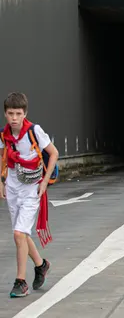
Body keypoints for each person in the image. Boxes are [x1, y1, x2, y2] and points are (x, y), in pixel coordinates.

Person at [1, 93, 57, 298]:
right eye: (10, 113)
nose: (14, 118)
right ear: (5, 114)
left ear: (25, 113)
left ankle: (20, 281)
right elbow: (3, 157)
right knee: (21, 233)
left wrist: (45, 181)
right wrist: (2, 181)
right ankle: (41, 265)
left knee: (18, 234)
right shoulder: (3, 135)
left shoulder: (34, 131)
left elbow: (54, 153)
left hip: (32, 188)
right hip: (13, 187)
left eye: (18, 113)